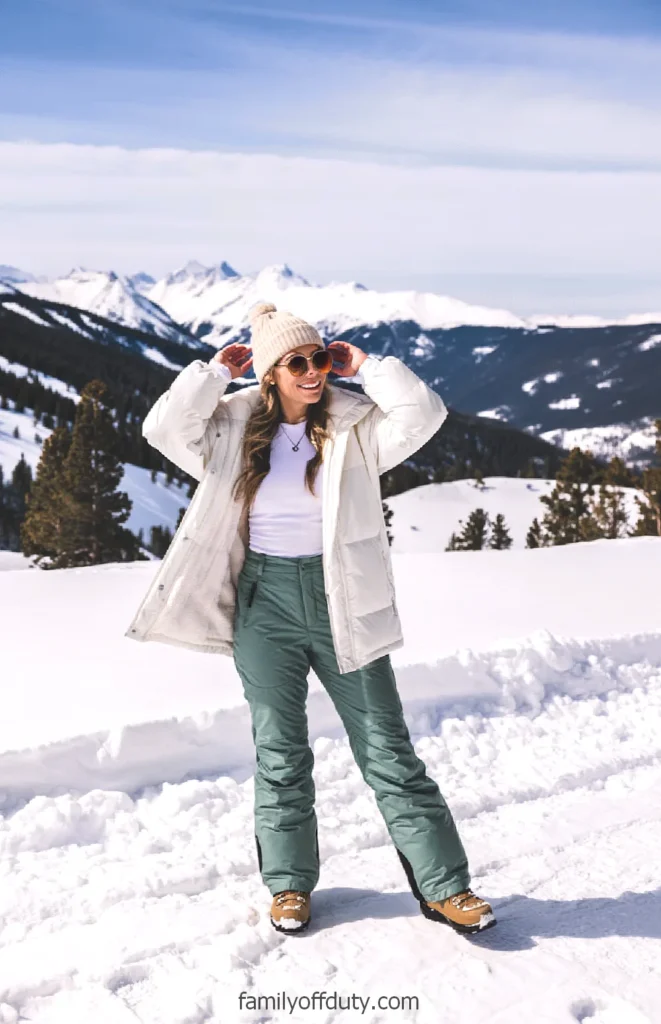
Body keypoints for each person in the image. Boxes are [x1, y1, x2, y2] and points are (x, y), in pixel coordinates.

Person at [127, 302, 496, 937]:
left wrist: (371, 367)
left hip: (340, 600)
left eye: (319, 358)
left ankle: (447, 887)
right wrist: (211, 375)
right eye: (296, 361)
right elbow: (163, 429)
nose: (312, 371)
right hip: (263, 602)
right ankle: (289, 887)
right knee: (281, 753)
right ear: (270, 373)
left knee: (387, 747)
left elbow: (423, 414)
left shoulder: (355, 429)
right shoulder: (231, 430)